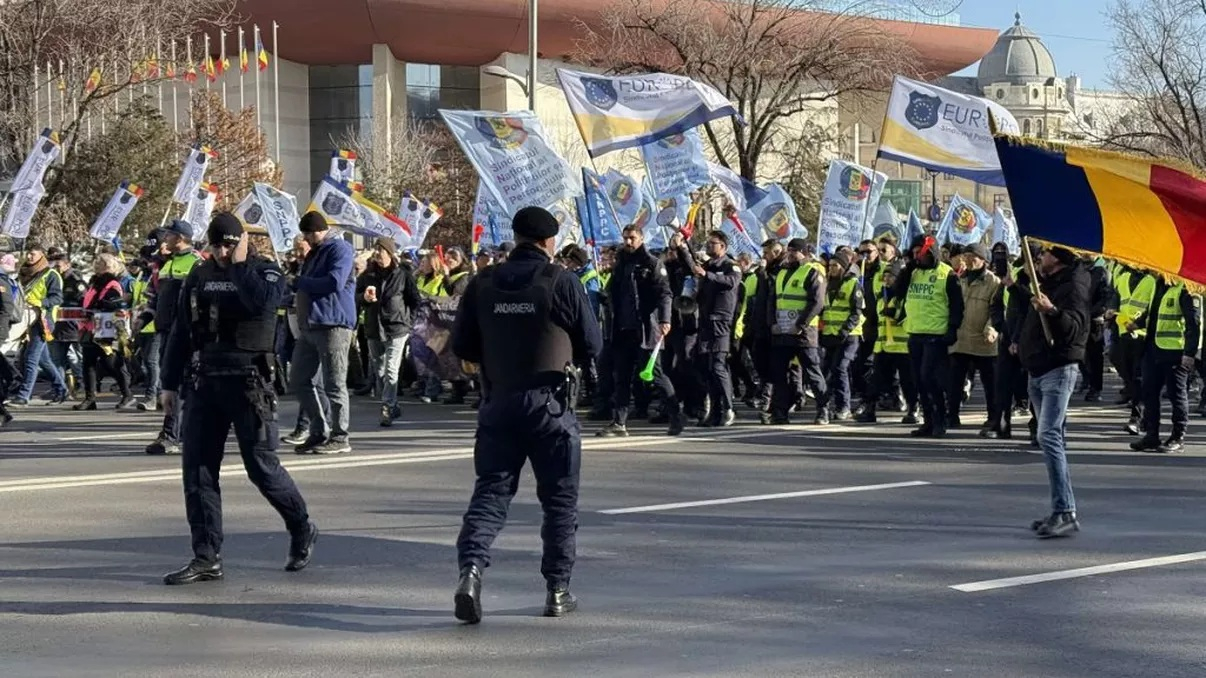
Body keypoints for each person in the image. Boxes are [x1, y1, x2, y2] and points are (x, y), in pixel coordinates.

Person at [449, 206, 602, 624]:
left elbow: (461, 346)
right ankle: (557, 589)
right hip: (550, 407)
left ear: (516, 237)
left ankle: (471, 571)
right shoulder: (561, 281)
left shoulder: (482, 281)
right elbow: (592, 344)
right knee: (559, 502)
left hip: (499, 402)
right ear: (549, 242)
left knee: (490, 495)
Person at [159, 213, 316, 585]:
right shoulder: (199, 274)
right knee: (197, 472)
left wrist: (241, 264)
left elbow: (260, 303)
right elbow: (182, 329)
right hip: (205, 381)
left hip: (249, 384)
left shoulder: (265, 272)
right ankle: (206, 556)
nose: (222, 252)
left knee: (261, 468)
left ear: (243, 241)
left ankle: (301, 526)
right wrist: (169, 383)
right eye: (216, 245)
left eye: (229, 245)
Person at [1021, 246, 1089, 539]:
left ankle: (1065, 511)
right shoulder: (1049, 282)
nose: (1040, 257)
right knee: (1052, 438)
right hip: (1038, 370)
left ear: (1059, 260)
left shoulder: (1073, 287)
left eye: (1047, 253)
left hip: (1057, 370)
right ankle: (1062, 509)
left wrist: (1052, 311)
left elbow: (1075, 330)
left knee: (1048, 435)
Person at [596, 225, 684, 437]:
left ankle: (676, 415)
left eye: (632, 238)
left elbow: (665, 293)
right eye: (625, 238)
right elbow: (614, 292)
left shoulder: (652, 263)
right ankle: (619, 422)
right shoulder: (621, 264)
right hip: (622, 330)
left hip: (645, 329)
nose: (628, 242)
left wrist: (665, 319)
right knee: (622, 377)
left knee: (655, 375)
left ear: (641, 239)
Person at [290, 211, 357, 455]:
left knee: (334, 383)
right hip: (310, 325)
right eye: (305, 234)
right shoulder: (315, 253)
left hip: (333, 324)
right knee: (299, 379)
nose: (307, 238)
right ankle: (319, 430)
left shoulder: (340, 249)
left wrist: (301, 283)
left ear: (321, 229)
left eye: (310, 233)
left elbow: (334, 282)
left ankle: (340, 436)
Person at [142, 220, 202, 454]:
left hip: (186, 333)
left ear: (180, 238)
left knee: (182, 383)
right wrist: (146, 315)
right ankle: (177, 433)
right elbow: (157, 295)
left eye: (169, 234)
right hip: (166, 329)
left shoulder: (196, 263)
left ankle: (173, 435)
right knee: (173, 382)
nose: (164, 238)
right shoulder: (167, 263)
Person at [895, 235, 963, 438]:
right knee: (918, 380)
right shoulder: (913, 273)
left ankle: (940, 419)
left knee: (929, 378)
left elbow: (957, 305)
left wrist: (952, 328)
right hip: (915, 332)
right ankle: (928, 422)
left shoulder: (947, 274)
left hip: (936, 335)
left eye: (920, 253)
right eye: (914, 253)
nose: (917, 257)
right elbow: (898, 291)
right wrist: (907, 269)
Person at [762, 238, 829, 425]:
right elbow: (772, 300)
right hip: (782, 332)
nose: (790, 254)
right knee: (779, 374)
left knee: (812, 372)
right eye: (789, 250)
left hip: (803, 334)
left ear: (804, 253)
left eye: (795, 251)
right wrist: (772, 323)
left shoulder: (812, 272)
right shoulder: (782, 272)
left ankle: (823, 409)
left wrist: (800, 325)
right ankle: (780, 412)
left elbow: (817, 303)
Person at [1129, 279, 1200, 454]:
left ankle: (1178, 437)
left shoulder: (1186, 289)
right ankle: (1151, 435)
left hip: (1175, 352)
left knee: (1177, 395)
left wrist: (1190, 353)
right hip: (1152, 349)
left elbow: (1194, 323)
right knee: (1149, 393)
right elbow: (1153, 313)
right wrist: (1137, 324)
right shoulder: (1158, 285)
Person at [359, 237, 420, 427]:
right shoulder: (368, 275)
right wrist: (364, 298)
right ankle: (392, 405)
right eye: (376, 250)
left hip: (396, 328)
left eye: (381, 250)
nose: (377, 254)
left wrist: (408, 322)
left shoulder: (402, 274)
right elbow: (355, 296)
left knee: (391, 370)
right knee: (379, 370)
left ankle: (387, 406)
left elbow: (415, 300)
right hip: (374, 328)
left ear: (390, 253)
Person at [947, 244, 1001, 435]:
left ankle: (993, 417)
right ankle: (952, 415)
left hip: (983, 341)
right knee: (954, 382)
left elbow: (997, 309)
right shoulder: (957, 279)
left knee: (990, 383)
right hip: (960, 339)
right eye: (967, 256)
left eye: (973, 257)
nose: (969, 260)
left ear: (984, 260)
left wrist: (991, 329)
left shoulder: (994, 282)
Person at [689, 230, 741, 426]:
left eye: (713, 243)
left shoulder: (730, 266)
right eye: (708, 243)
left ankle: (729, 407)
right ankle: (714, 412)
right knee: (706, 368)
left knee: (718, 366)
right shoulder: (708, 266)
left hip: (721, 321)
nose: (709, 246)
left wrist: (707, 275)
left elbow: (731, 282)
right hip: (705, 321)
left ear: (723, 247)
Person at [856, 261, 917, 424]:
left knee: (908, 381)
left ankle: (913, 409)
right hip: (883, 346)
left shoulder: (905, 297)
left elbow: (910, 319)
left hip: (902, 347)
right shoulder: (881, 298)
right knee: (875, 380)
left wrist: (895, 315)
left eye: (891, 276)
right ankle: (870, 409)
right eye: (885, 276)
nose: (887, 279)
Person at [75, 253, 135, 411]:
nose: (96, 265)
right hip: (90, 326)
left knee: (111, 362)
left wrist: (97, 307)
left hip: (105, 326)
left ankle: (127, 394)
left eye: (100, 263)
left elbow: (113, 303)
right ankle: (90, 398)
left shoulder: (112, 284)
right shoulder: (94, 283)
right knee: (88, 363)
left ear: (109, 266)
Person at [13, 242, 68, 406]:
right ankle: (61, 389)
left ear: (42, 256)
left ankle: (23, 396)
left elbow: (57, 298)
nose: (29, 257)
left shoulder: (51, 274)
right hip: (27, 319)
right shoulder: (24, 273)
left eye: (33, 254)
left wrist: (40, 302)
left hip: (43, 321)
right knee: (44, 360)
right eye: (28, 253)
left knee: (30, 358)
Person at [820, 249, 865, 420]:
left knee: (840, 368)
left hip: (849, 335)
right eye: (830, 265)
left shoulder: (853, 283)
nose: (831, 268)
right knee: (829, 370)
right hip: (830, 334)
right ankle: (827, 404)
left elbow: (856, 312)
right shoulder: (827, 284)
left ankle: (844, 406)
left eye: (835, 265)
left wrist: (845, 330)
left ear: (844, 267)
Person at [1110, 265, 1155, 433]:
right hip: (1124, 333)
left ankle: (1137, 418)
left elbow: (1153, 309)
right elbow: (1115, 298)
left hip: (1144, 336)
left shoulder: (1152, 280)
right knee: (1128, 374)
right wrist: (1110, 310)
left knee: (1139, 378)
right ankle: (1142, 412)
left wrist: (1138, 324)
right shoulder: (1123, 277)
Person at [132, 232, 165, 410]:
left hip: (157, 323)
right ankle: (159, 395)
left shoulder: (160, 270)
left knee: (152, 360)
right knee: (147, 361)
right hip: (143, 322)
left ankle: (152, 396)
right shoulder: (145, 275)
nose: (147, 260)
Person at [47, 247, 85, 397]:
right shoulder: (53, 279)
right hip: (57, 326)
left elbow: (84, 301)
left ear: (67, 265)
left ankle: (81, 385)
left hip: (74, 326)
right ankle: (59, 388)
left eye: (59, 266)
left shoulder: (75, 280)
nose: (56, 268)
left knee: (77, 357)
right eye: (54, 266)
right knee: (57, 359)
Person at [1082, 257, 1110, 402]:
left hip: (1094, 320)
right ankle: (1086, 379)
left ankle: (1095, 388)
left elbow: (1104, 299)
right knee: (1081, 355)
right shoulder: (1079, 269)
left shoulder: (1100, 272)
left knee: (1094, 356)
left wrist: (1092, 313)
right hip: (1080, 318)